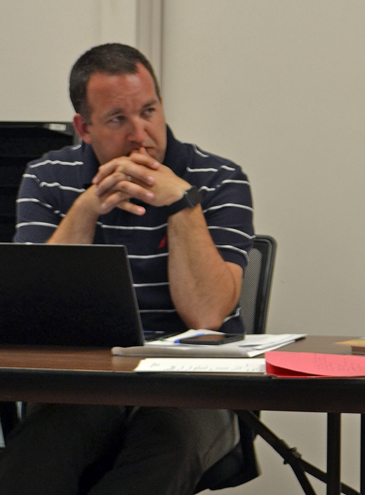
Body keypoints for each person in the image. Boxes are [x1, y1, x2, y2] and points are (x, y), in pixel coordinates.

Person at [0, 43, 254, 495]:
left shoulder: (219, 178)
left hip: (195, 388)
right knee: (34, 459)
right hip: (85, 383)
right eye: (118, 119)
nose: (142, 135)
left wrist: (183, 203)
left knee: (160, 454)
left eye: (150, 111)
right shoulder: (46, 178)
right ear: (84, 128)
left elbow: (207, 314)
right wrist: (85, 210)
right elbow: (37, 307)